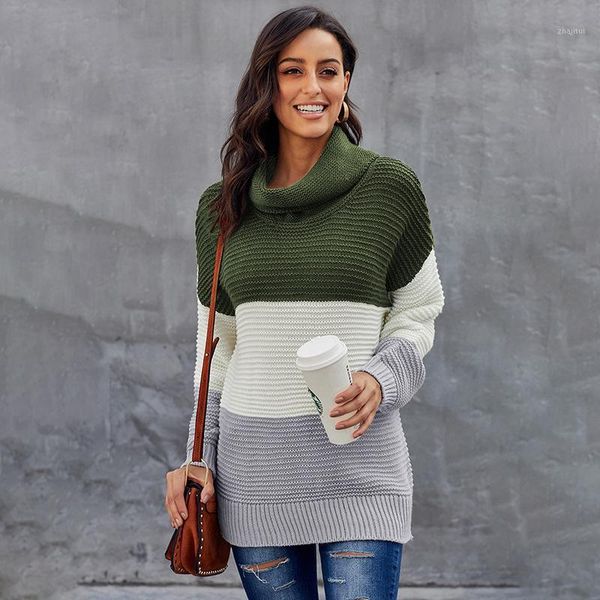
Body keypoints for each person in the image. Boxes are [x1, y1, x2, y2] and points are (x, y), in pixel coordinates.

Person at [164, 6, 445, 599]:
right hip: (255, 478)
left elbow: (417, 312)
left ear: (346, 84)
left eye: (328, 70)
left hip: (361, 471)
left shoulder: (389, 189)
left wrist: (381, 378)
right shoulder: (222, 207)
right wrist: (198, 456)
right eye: (293, 71)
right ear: (267, 85)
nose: (312, 87)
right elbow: (216, 351)